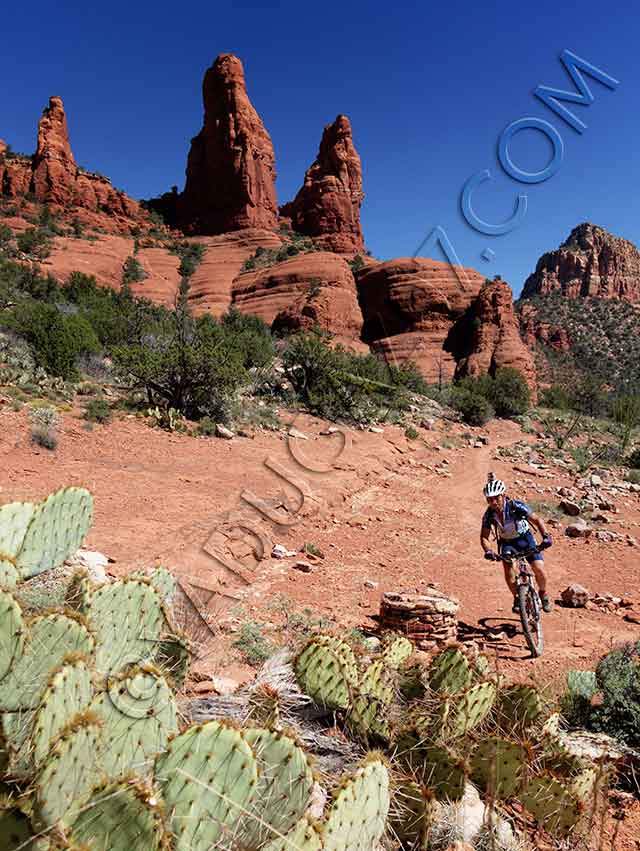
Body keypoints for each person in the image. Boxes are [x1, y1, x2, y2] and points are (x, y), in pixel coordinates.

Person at [480, 476, 553, 614]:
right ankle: (517, 598)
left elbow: (536, 520)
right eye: (489, 499)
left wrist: (546, 536)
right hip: (507, 543)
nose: (493, 502)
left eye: (496, 498)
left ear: (504, 495)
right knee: (508, 571)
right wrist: (488, 550)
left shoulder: (516, 506)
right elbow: (484, 536)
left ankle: (543, 593)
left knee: (538, 568)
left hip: (525, 539)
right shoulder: (489, 515)